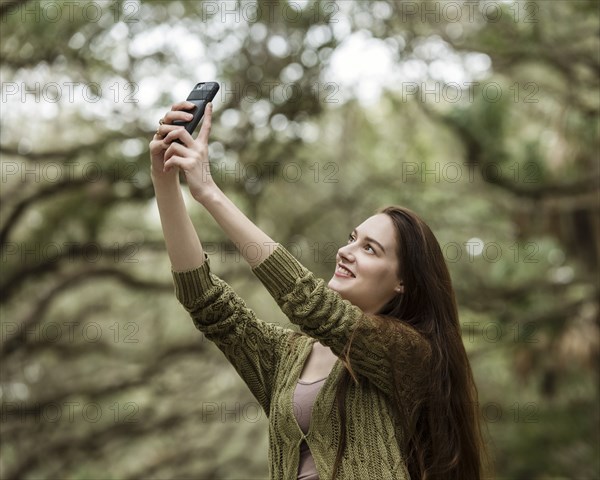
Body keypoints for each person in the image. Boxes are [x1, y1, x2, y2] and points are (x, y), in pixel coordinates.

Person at [150, 101, 488, 480]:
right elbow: (207, 303)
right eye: (352, 238)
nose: (346, 251)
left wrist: (209, 192)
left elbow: (312, 305)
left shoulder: (409, 353)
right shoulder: (288, 356)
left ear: (402, 282)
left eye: (369, 249)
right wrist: (165, 179)